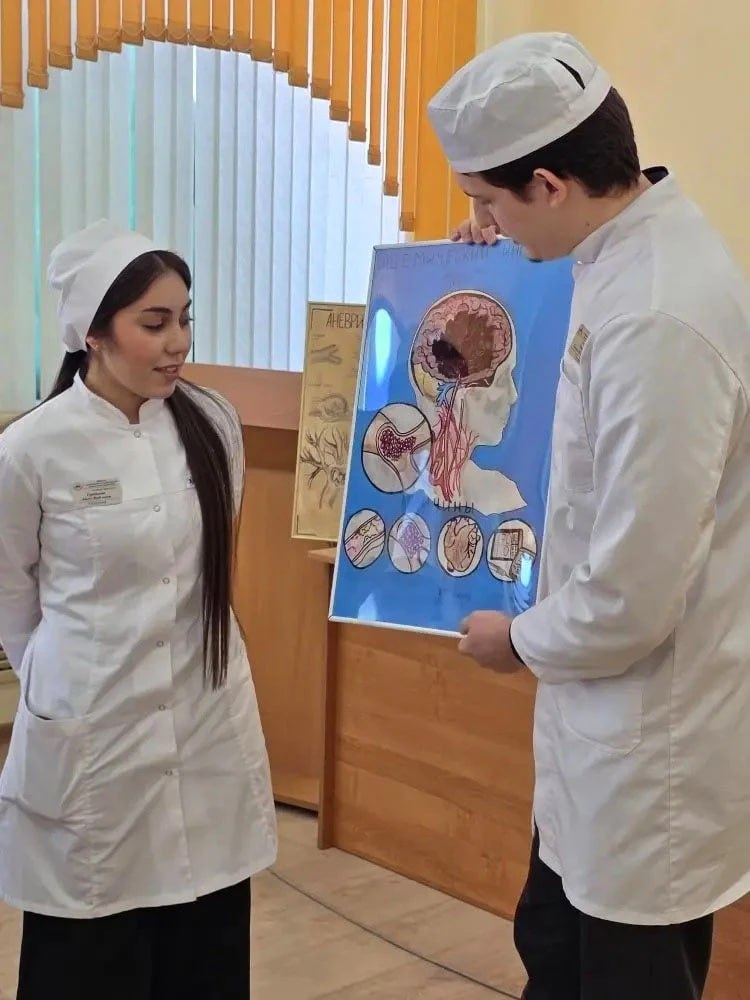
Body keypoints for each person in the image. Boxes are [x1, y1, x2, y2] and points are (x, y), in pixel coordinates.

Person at [427, 31, 750, 1000]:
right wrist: (496, 248)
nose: (484, 220)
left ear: (550, 183)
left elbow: (633, 595)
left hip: (646, 756)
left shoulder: (658, 314)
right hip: (599, 738)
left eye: (490, 202)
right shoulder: (623, 249)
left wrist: (517, 639)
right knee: (557, 950)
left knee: (619, 975)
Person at [0, 220, 278, 999]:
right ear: (93, 333)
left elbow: (202, 575)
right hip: (93, 740)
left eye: (184, 318)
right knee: (90, 958)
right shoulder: (32, 449)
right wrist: (63, 683)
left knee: (201, 952)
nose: (177, 342)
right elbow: (10, 595)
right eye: (153, 323)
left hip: (203, 721)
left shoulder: (212, 424)